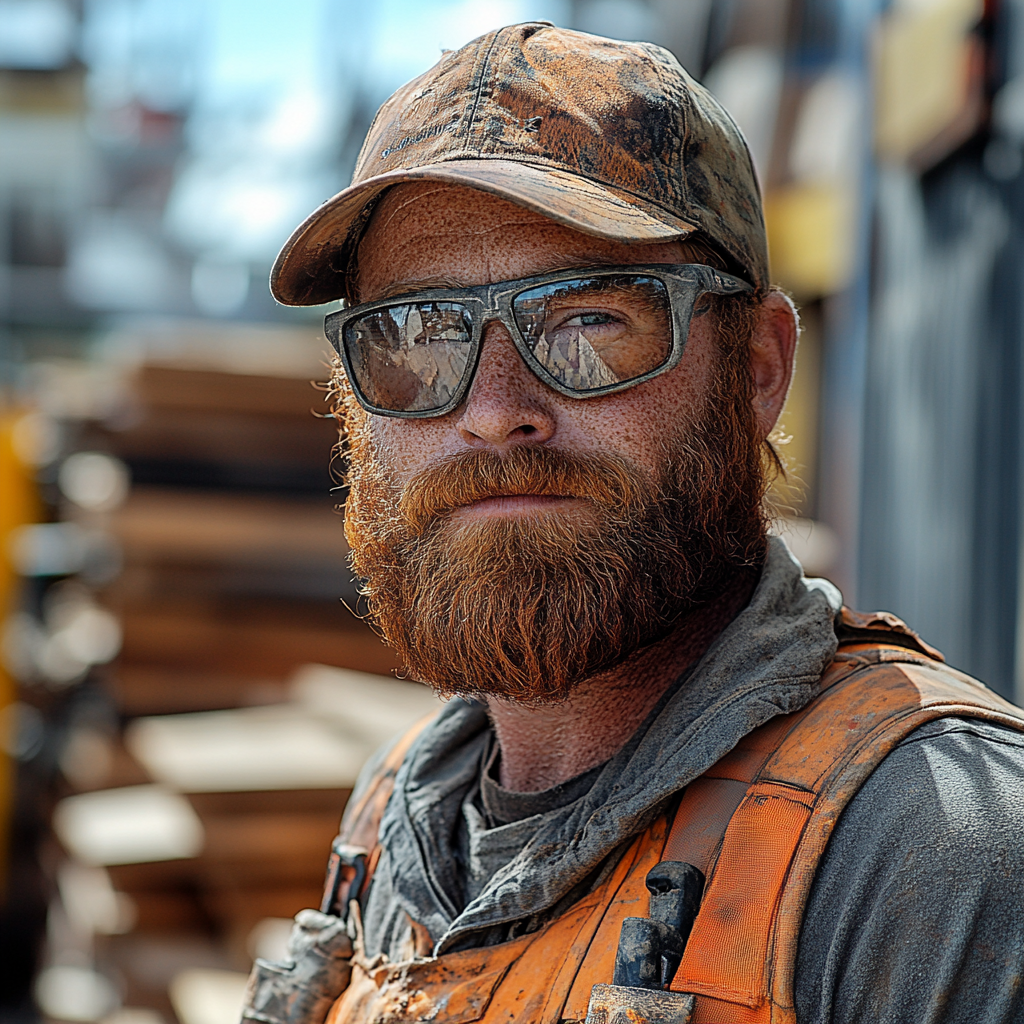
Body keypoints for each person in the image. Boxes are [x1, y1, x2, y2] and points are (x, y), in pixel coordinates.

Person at [242, 22, 1024, 1024]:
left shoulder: (935, 860)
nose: (491, 408)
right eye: (420, 332)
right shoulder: (395, 817)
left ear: (755, 371)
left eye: (587, 320)